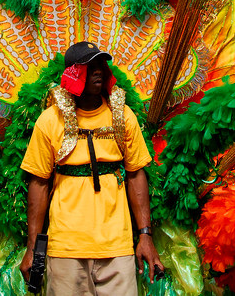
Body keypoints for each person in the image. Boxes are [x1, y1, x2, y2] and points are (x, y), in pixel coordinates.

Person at [20, 41, 164, 295]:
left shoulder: (123, 116)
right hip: (65, 248)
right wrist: (32, 249)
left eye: (101, 65)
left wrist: (145, 236)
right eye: (89, 66)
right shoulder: (50, 121)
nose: (98, 71)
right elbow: (39, 183)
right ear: (73, 74)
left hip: (117, 248)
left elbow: (136, 174)